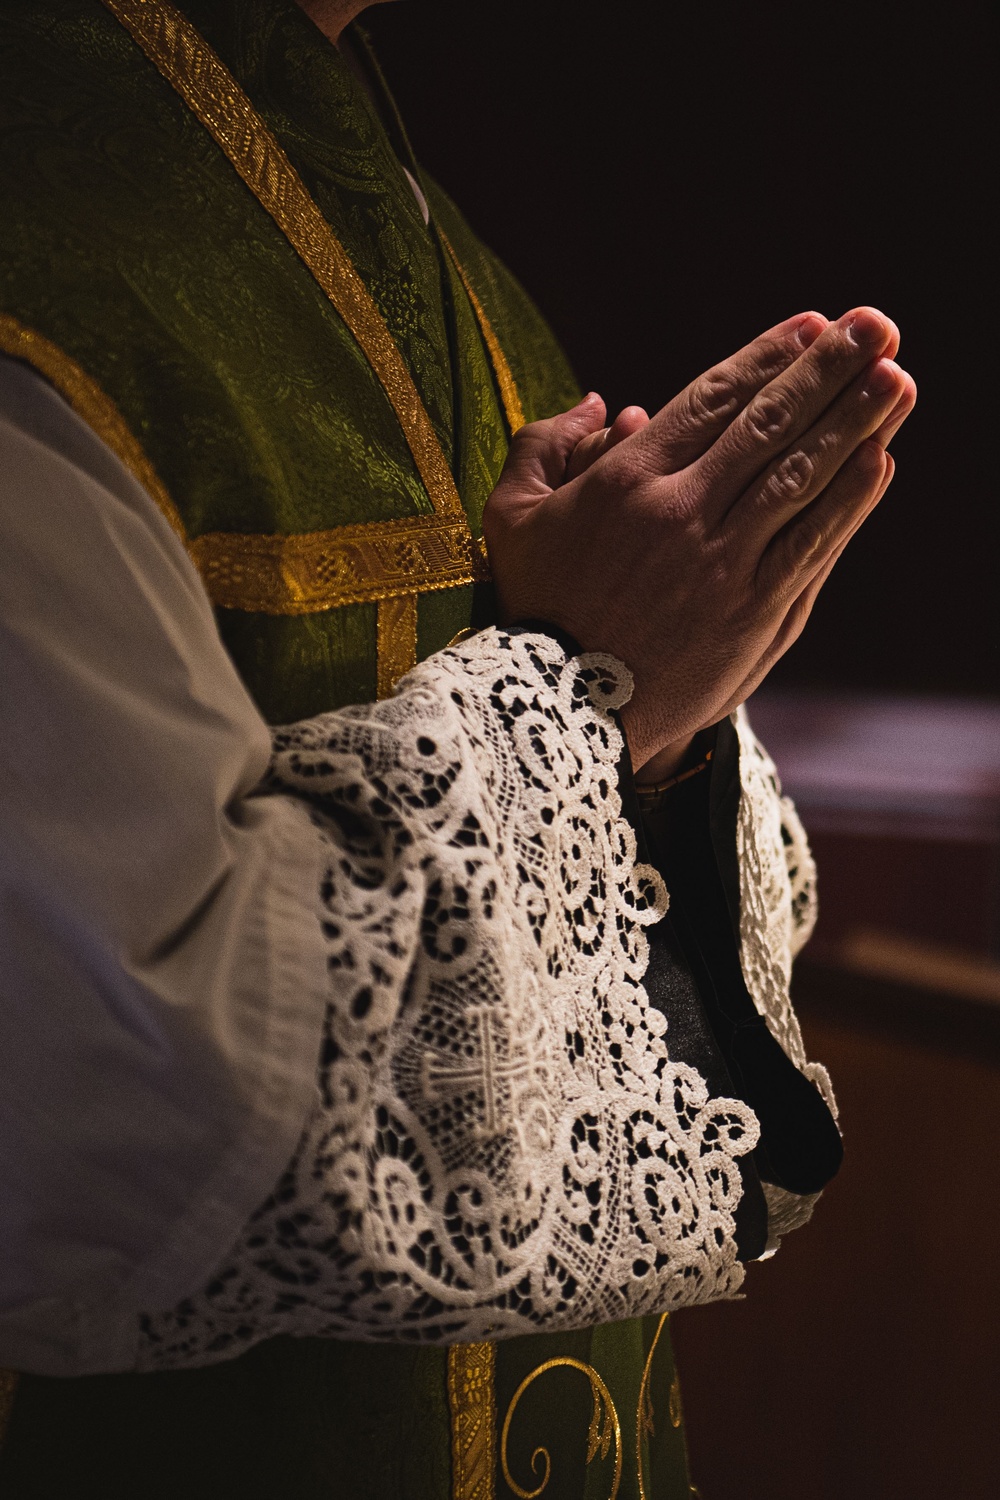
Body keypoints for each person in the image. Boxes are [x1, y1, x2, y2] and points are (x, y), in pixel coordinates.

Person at [0, 0, 916, 1495]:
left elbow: (605, 895)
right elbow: (120, 1081)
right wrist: (588, 701)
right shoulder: (52, 215)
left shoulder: (413, 230)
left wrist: (664, 723)